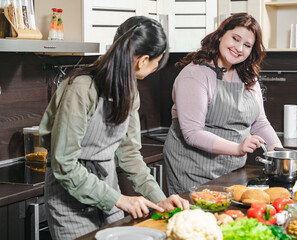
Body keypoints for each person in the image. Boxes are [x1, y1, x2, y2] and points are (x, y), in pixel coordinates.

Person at [39, 16, 189, 240]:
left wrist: (159, 198)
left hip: (108, 191)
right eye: (157, 62)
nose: (157, 67)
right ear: (143, 60)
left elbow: (129, 154)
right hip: (69, 200)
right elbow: (64, 165)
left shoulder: (130, 91)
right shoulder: (81, 88)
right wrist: (119, 200)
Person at [163, 13, 283, 195]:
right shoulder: (195, 74)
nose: (239, 48)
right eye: (235, 38)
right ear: (220, 35)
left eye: (247, 45)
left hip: (232, 171)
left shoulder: (249, 77)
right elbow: (192, 133)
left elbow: (260, 123)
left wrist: (282, 156)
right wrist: (238, 148)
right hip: (193, 170)